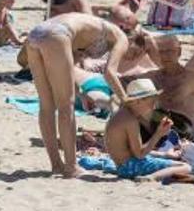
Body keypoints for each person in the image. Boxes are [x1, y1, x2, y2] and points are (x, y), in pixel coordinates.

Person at [24, 13, 130, 178]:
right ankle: (71, 166)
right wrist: (126, 100)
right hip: (57, 34)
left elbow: (68, 66)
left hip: (36, 34)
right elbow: (110, 73)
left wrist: (81, 92)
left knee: (46, 105)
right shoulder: (122, 39)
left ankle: (57, 164)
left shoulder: (91, 27)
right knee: (65, 106)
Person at [104, 78, 192, 181]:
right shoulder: (131, 121)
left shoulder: (122, 114)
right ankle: (150, 177)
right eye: (151, 102)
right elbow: (139, 154)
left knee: (169, 160)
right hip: (130, 168)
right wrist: (158, 134)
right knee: (185, 167)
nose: (154, 106)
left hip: (123, 167)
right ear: (137, 101)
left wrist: (163, 154)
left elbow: (131, 151)